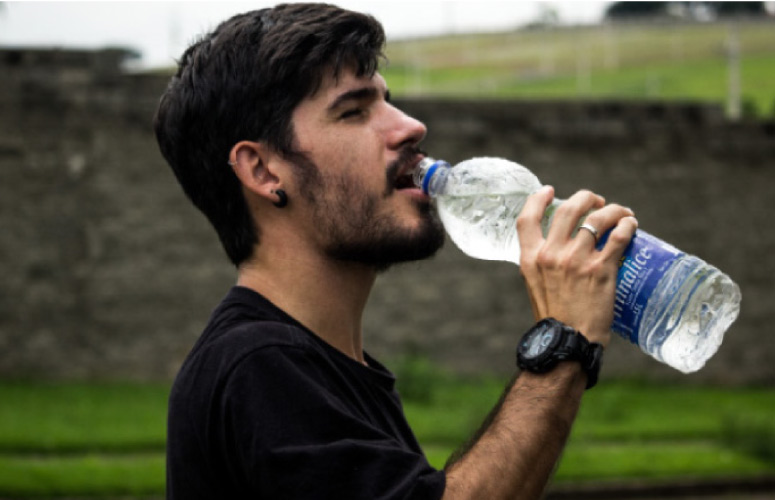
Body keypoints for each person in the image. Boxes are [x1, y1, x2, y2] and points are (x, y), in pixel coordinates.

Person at [153, 3, 638, 499]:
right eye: (354, 111)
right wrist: (563, 345)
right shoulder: (259, 366)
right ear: (263, 171)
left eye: (388, 101)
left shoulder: (324, 367)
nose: (410, 126)